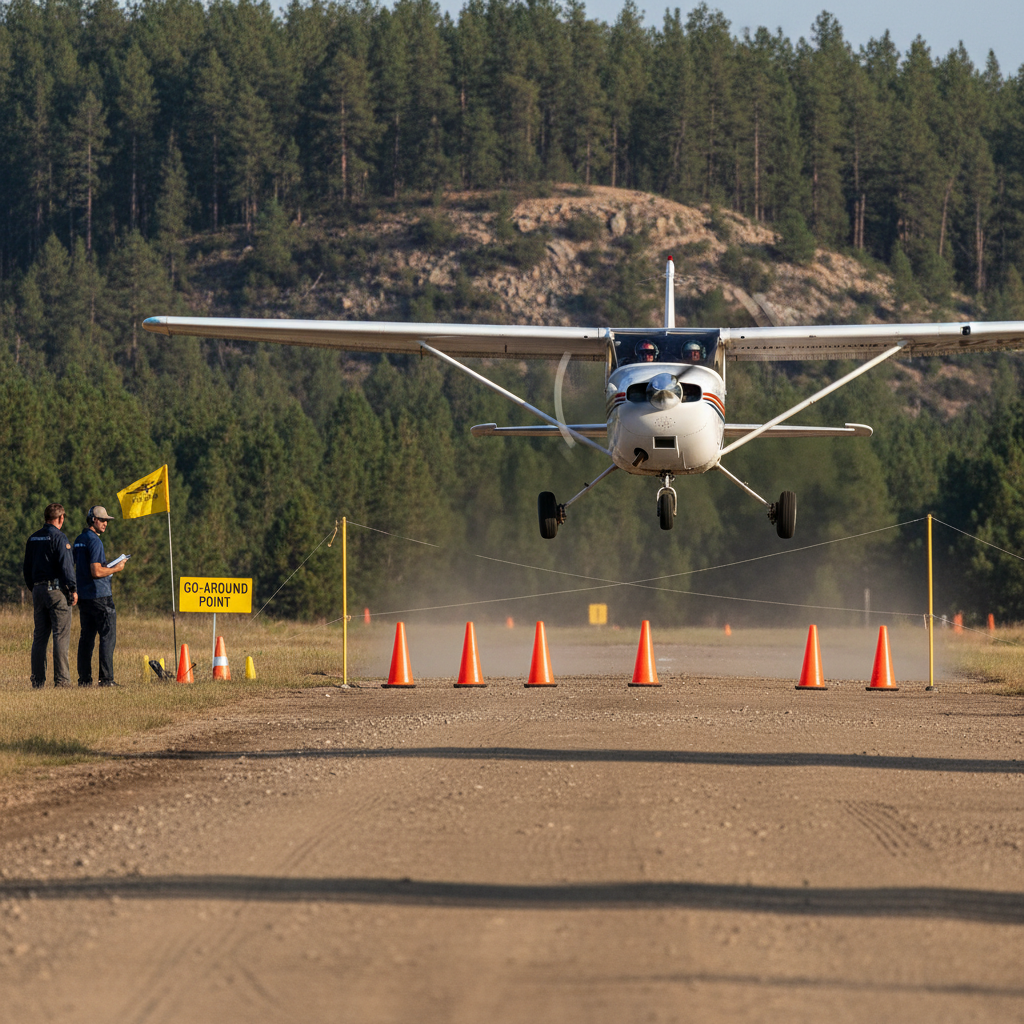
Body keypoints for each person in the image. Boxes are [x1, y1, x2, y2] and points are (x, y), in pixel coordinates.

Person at [23, 504, 78, 688]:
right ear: (61, 518)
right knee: (60, 636)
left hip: (38, 590)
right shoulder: (60, 537)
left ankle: (37, 680)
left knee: (39, 637)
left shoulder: (33, 538)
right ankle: (62, 681)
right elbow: (66, 567)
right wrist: (72, 589)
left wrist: (34, 588)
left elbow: (26, 568)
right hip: (56, 591)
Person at [73, 506, 126, 687]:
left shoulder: (79, 540)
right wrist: (116, 568)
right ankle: (106, 679)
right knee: (107, 636)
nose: (105, 523)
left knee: (86, 638)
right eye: (102, 520)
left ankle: (84, 679)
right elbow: (96, 571)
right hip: (100, 596)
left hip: (84, 596)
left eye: (107, 521)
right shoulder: (95, 541)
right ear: (93, 520)